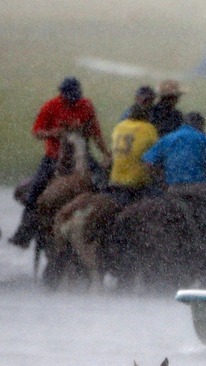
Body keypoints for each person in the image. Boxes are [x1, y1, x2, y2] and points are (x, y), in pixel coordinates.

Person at [9, 77, 112, 248]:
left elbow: (96, 133)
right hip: (54, 156)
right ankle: (24, 233)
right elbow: (36, 132)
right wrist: (54, 133)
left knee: (103, 181)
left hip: (82, 154)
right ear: (62, 94)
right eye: (70, 96)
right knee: (36, 189)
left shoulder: (86, 105)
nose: (73, 100)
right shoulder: (50, 106)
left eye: (76, 96)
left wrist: (106, 154)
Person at [142, 112, 206, 189]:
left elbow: (147, 164)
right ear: (201, 125)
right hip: (199, 186)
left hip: (174, 187)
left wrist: (161, 181)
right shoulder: (204, 139)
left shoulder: (167, 138)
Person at [107, 104, 160, 205]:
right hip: (136, 182)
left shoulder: (120, 126)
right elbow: (157, 152)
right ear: (146, 116)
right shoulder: (148, 128)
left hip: (115, 179)